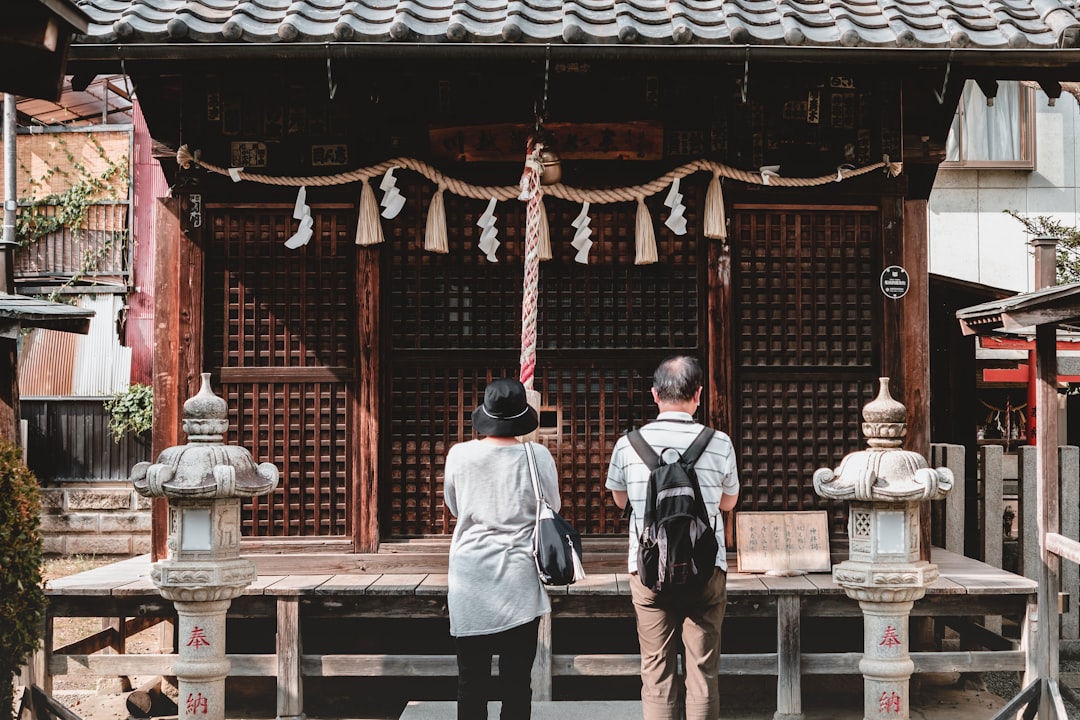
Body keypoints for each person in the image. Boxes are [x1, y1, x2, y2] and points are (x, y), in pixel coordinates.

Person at [606, 355, 741, 720]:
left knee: (656, 670)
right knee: (702, 671)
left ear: (655, 395)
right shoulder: (719, 442)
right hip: (706, 568)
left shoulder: (629, 444)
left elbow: (621, 500)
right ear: (698, 395)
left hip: (649, 568)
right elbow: (728, 503)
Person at [444, 377, 561, 720]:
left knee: (470, 681)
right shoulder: (537, 455)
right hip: (519, 579)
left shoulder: (460, 455)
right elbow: (551, 506)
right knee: (516, 682)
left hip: (470, 579)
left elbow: (455, 506)